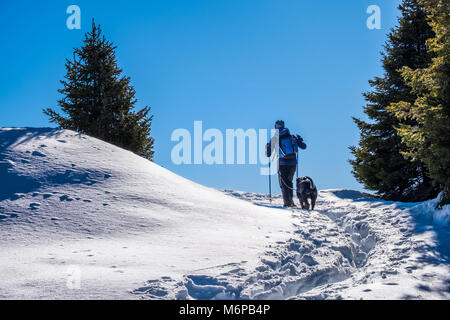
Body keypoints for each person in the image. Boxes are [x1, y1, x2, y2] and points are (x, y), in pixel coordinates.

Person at [266, 120, 307, 207]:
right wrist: (300, 139)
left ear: (276, 127)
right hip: (293, 162)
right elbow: (304, 146)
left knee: (283, 183)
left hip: (282, 163)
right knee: (289, 181)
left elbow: (268, 154)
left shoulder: (274, 138)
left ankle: (287, 203)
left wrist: (268, 147)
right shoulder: (292, 136)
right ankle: (290, 201)